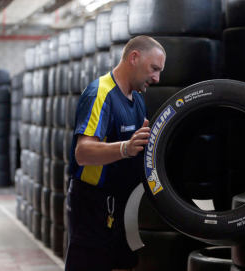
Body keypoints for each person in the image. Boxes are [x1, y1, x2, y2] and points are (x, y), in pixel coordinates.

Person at [65, 35, 166, 271]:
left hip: (125, 202)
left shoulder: (138, 100)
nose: (157, 78)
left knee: (125, 264)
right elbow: (83, 151)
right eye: (154, 69)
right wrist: (125, 148)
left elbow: (138, 148)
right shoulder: (101, 93)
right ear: (134, 57)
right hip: (93, 203)